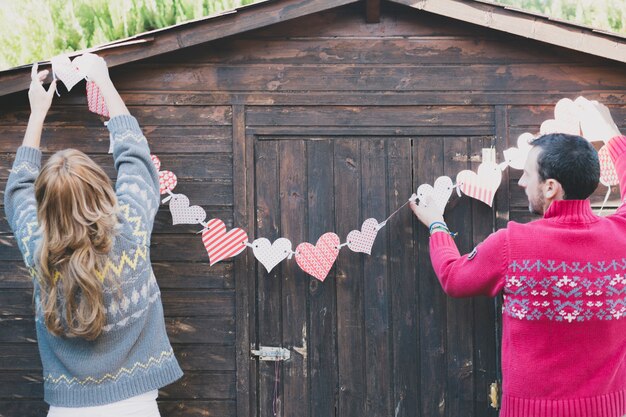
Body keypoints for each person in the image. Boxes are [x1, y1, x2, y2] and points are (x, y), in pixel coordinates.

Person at [410, 98, 626, 417]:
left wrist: (436, 224)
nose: (522, 182)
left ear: (551, 187)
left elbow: (454, 279)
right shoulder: (620, 235)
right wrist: (611, 134)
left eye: (527, 174)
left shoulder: (513, 243)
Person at [4, 53, 183, 416]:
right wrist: (103, 81)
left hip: (66, 409)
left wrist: (37, 113)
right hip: (137, 407)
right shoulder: (129, 227)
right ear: (102, 188)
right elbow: (135, 157)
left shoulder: (37, 248)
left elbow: (18, 189)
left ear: (45, 205)